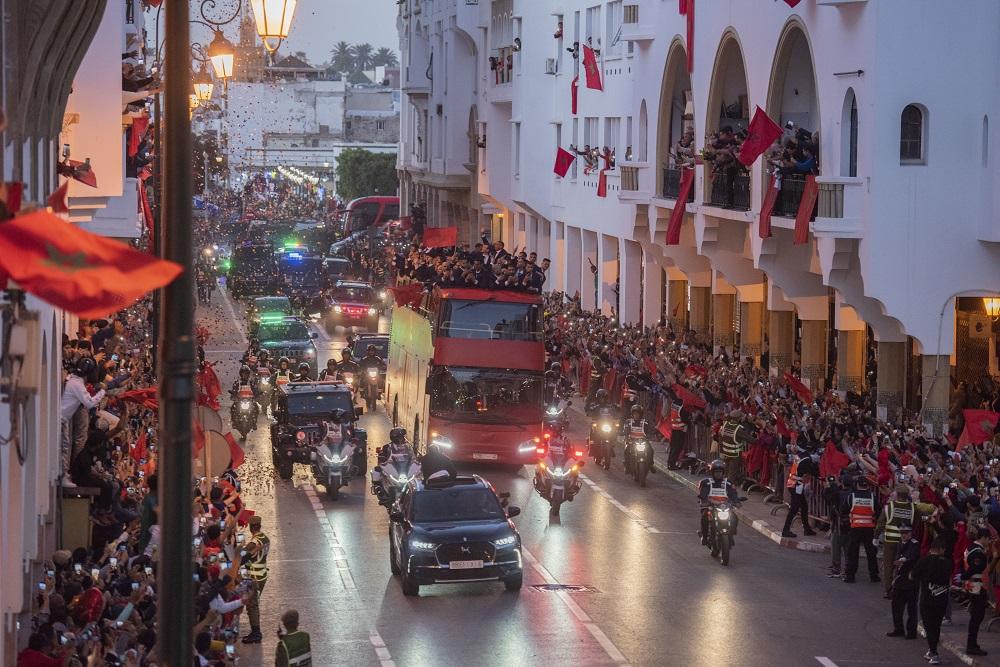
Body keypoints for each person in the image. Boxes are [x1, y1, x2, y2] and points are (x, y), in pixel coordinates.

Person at [875, 484, 935, 597]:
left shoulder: (889, 507)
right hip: (906, 542)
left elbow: (881, 523)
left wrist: (876, 536)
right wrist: (931, 518)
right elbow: (920, 519)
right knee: (904, 565)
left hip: (890, 541)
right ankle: (901, 588)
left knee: (889, 565)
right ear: (907, 495)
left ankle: (888, 590)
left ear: (897, 495)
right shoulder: (913, 508)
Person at [60, 356, 106, 486]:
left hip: (63, 419)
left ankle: (63, 473)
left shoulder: (73, 380)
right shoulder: (77, 384)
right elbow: (90, 403)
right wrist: (103, 391)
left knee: (65, 445)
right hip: (61, 419)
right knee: (64, 448)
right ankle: (62, 477)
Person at [910, 538, 952, 664]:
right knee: (936, 625)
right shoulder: (948, 563)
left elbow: (912, 576)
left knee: (929, 626)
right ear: (940, 549)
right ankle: (932, 650)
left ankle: (934, 652)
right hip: (942, 599)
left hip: (927, 599)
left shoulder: (924, 561)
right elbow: (949, 580)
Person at [842, 475, 880, 584]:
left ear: (857, 485)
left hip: (855, 528)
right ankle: (874, 576)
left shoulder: (851, 497)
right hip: (869, 529)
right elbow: (878, 511)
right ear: (867, 486)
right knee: (871, 553)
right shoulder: (873, 497)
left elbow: (844, 510)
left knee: (853, 552)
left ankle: (850, 576)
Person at [886, 523, 919, 639]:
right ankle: (898, 629)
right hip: (900, 579)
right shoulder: (899, 544)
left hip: (910, 581)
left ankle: (911, 632)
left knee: (911, 608)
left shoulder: (914, 544)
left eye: (906, 533)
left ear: (911, 533)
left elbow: (911, 556)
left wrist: (902, 560)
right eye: (902, 533)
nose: (903, 535)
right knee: (896, 606)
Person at [698, 459, 740, 549]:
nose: (718, 474)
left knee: (734, 518)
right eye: (716, 472)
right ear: (712, 472)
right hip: (710, 506)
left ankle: (730, 535)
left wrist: (737, 502)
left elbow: (733, 493)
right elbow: (703, 494)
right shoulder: (706, 482)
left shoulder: (728, 483)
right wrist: (704, 500)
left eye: (720, 472)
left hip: (724, 507)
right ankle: (704, 537)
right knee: (704, 517)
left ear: (723, 472)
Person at [961, 528, 990, 656]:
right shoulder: (978, 552)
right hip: (977, 586)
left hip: (972, 586)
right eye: (988, 539)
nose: (989, 541)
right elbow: (974, 568)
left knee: (976, 616)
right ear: (983, 537)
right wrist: (965, 576)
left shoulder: (971, 547)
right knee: (977, 616)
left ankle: (972, 643)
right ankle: (971, 645)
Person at [242, 515, 270, 644]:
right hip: (262, 575)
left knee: (252, 606)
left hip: (254, 577)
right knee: (254, 604)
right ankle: (255, 631)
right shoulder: (265, 538)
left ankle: (256, 633)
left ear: (250, 527)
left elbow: (242, 557)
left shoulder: (254, 543)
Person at [780, 449, 817, 539]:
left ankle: (807, 529)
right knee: (794, 509)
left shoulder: (800, 456)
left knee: (804, 506)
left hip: (794, 484)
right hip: (795, 486)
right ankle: (786, 530)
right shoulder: (807, 461)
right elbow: (812, 472)